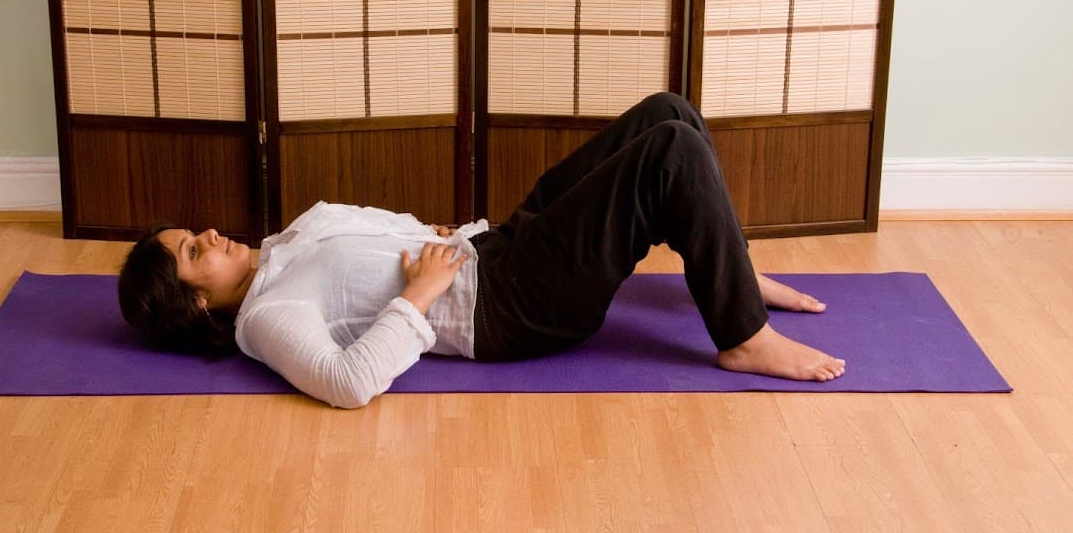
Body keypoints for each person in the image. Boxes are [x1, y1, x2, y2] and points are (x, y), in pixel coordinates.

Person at [118, 92, 845, 408]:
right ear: (194, 301)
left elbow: (365, 226)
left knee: (667, 112)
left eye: (194, 234)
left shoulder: (277, 248)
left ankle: (731, 275)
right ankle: (744, 335)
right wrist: (419, 297)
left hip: (493, 246)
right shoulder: (267, 318)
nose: (209, 234)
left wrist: (423, 231)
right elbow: (346, 383)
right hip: (507, 306)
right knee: (672, 155)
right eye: (193, 252)